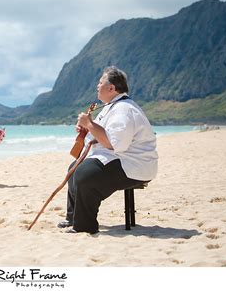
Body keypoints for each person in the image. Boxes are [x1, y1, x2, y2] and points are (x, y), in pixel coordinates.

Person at [58, 66, 158, 234]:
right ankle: (73, 217)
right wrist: (87, 128)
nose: (97, 85)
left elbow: (113, 143)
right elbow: (100, 135)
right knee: (74, 168)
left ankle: (84, 226)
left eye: (100, 82)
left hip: (134, 164)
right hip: (119, 158)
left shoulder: (124, 110)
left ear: (111, 88)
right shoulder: (111, 107)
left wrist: (89, 124)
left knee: (84, 173)